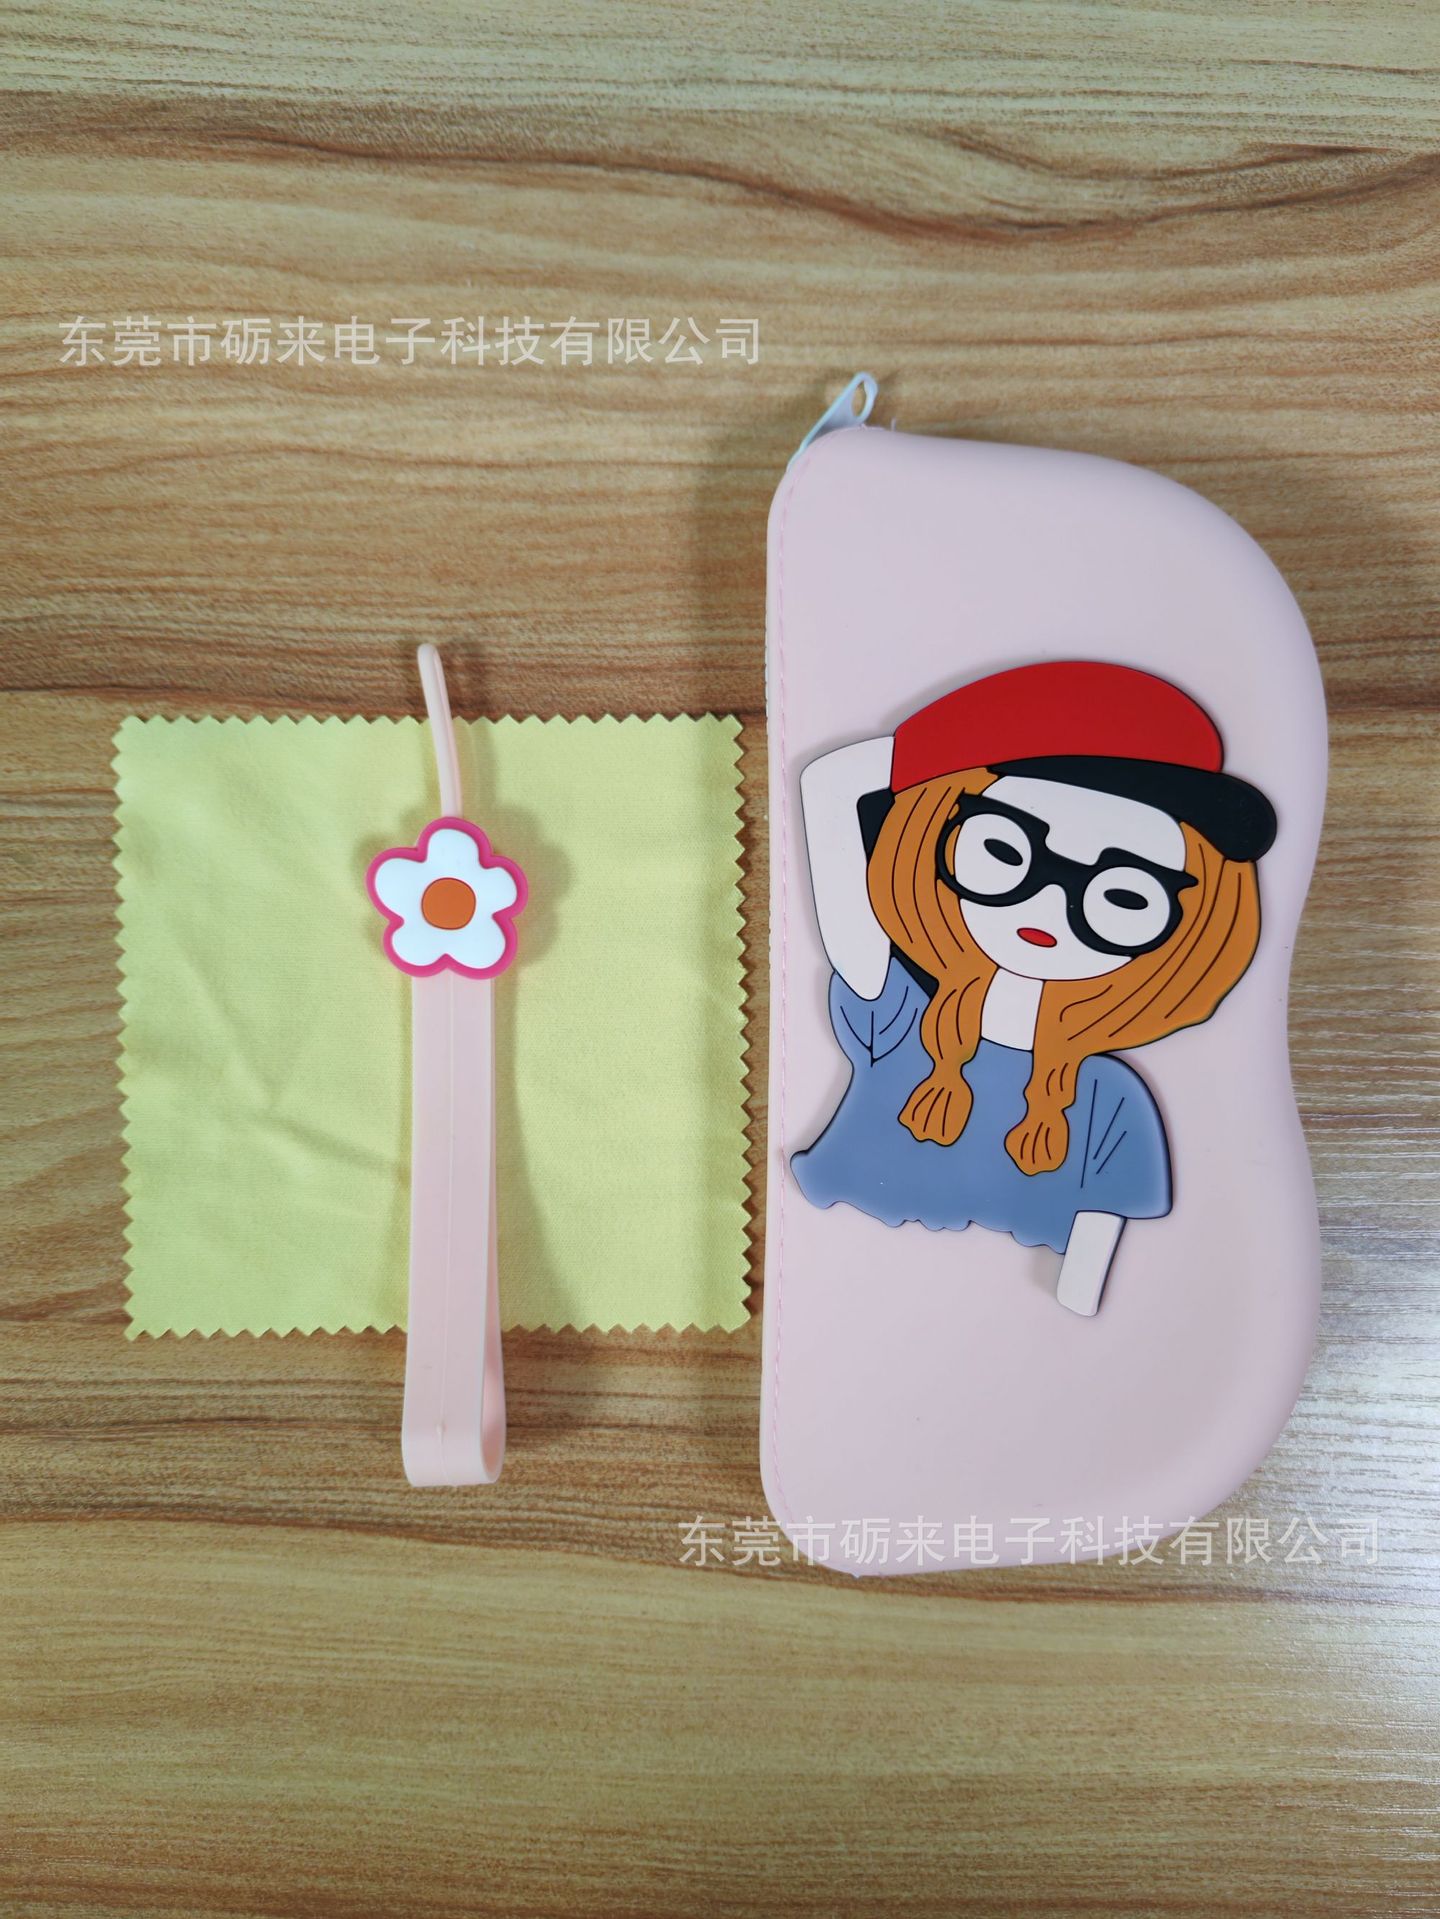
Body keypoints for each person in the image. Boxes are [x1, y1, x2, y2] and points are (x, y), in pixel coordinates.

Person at [792, 659, 1277, 1316]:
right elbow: (829, 785)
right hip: (824, 1283)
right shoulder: (897, 1004)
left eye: (1123, 896)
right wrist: (945, 753)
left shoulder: (1111, 1100)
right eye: (1004, 852)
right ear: (935, 834)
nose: (1049, 906)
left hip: (1003, 1321)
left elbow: (1087, 1272)